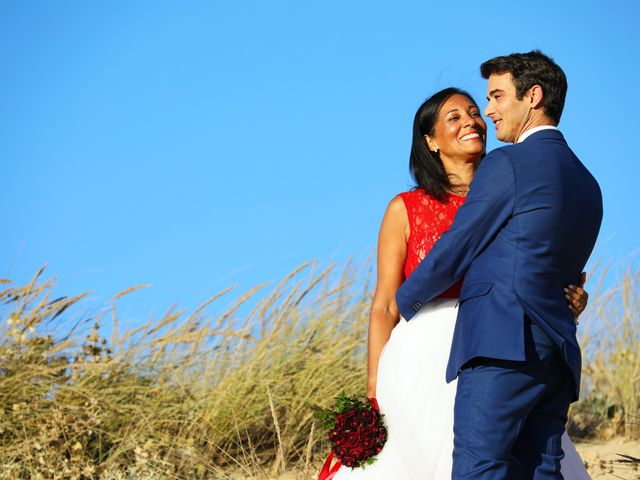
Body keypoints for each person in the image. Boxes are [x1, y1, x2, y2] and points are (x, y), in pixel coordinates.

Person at [331, 87, 591, 479]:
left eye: (474, 113)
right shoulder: (405, 208)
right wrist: (373, 389)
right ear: (430, 141)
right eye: (454, 118)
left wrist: (568, 298)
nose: (472, 120)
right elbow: (385, 304)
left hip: (506, 348)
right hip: (421, 363)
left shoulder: (517, 193)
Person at [396, 51, 602, 479]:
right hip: (556, 352)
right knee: (541, 471)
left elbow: (458, 247)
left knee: (479, 467)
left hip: (501, 342)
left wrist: (405, 300)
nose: (488, 111)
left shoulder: (506, 164)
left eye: (495, 97)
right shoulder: (588, 182)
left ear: (532, 96)